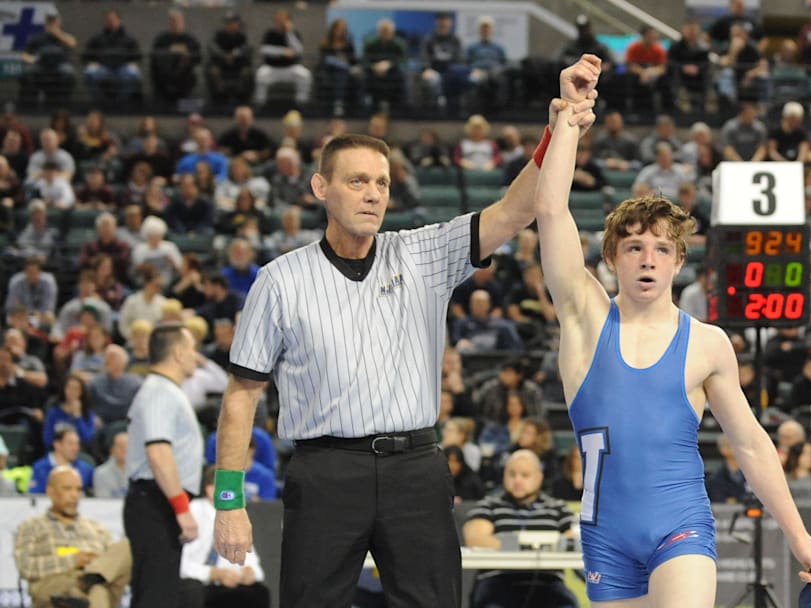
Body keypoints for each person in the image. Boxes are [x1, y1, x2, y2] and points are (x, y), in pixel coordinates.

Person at [211, 57, 601, 608]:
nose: (372, 193)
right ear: (321, 187)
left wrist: (560, 125)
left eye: (382, 183)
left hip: (414, 468)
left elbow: (515, 211)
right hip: (325, 471)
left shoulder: (423, 253)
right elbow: (241, 395)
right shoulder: (279, 281)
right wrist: (228, 501)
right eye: (357, 181)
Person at [531, 61, 811, 606]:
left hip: (682, 528)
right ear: (610, 259)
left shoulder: (707, 343)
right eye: (634, 248)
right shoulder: (584, 317)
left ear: (678, 263)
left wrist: (797, 532)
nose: (648, 261)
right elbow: (551, 212)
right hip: (606, 538)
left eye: (662, 249)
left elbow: (751, 444)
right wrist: (569, 123)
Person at [123, 324, 203, 608]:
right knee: (156, 597)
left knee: (158, 593)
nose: (197, 356)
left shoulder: (163, 390)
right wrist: (181, 508)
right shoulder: (160, 391)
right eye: (192, 349)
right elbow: (158, 452)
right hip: (156, 502)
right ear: (179, 354)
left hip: (157, 501)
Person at [463, 450, 578, 608]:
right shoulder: (489, 505)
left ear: (539, 477)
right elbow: (475, 538)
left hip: (547, 581)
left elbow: (574, 541)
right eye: (512, 474)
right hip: (499, 580)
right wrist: (529, 546)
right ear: (504, 476)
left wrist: (503, 542)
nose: (517, 480)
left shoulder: (557, 508)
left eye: (525, 475)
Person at [15, 466, 132, 608]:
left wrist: (96, 562)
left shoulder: (96, 528)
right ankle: (89, 581)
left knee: (128, 545)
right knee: (97, 592)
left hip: (97, 580)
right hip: (56, 584)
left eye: (78, 489)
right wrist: (73, 560)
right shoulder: (31, 527)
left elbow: (114, 563)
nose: (74, 495)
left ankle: (93, 577)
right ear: (50, 491)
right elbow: (26, 568)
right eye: (67, 489)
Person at [180, 466, 270, 608]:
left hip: (227, 580)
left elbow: (252, 561)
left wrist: (249, 572)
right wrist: (211, 573)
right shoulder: (193, 511)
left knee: (258, 592)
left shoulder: (237, 515)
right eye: (229, 489)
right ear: (210, 490)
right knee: (192, 590)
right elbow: (180, 563)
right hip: (198, 579)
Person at [94, 431, 128, 499]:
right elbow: (102, 502)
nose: (124, 450)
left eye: (127, 446)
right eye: (120, 446)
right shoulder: (100, 473)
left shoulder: (139, 473)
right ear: (112, 449)